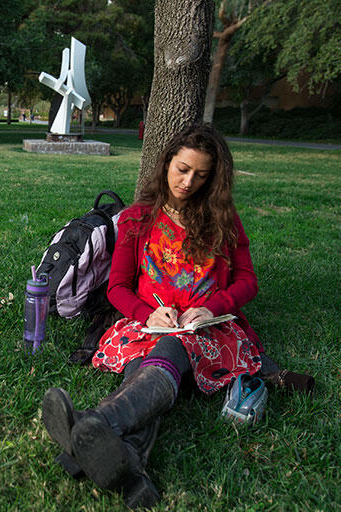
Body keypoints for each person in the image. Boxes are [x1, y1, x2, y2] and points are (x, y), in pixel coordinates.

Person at [41, 124, 312, 509]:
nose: (188, 181)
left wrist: (213, 307)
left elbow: (248, 281)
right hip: (147, 324)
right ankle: (126, 457)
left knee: (169, 349)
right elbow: (117, 287)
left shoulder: (223, 218)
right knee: (153, 360)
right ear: (166, 162)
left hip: (208, 329)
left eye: (201, 175)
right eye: (182, 169)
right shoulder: (137, 219)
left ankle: (99, 422)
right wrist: (147, 313)